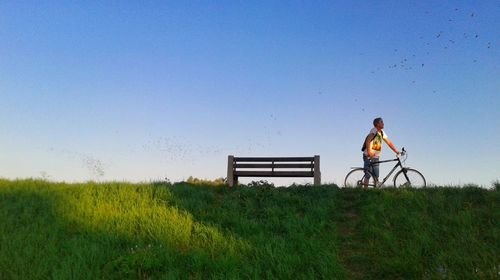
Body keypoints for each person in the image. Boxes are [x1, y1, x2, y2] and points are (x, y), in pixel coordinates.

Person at [362, 117, 400, 186]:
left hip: (376, 157)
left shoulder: (382, 133)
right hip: (368, 155)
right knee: (368, 174)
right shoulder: (374, 130)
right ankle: (365, 191)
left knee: (376, 175)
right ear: (377, 124)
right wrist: (369, 152)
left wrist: (396, 151)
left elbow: (389, 143)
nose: (383, 123)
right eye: (381, 122)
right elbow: (368, 140)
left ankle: (375, 190)